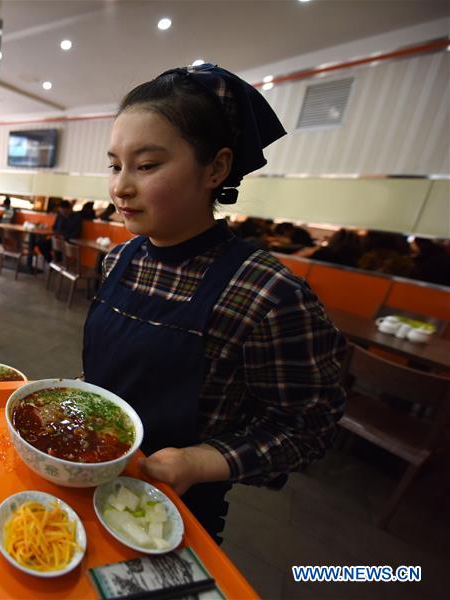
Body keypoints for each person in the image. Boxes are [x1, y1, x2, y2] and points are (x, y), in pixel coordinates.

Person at [83, 63, 345, 543]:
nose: (120, 186)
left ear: (216, 168)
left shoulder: (266, 293)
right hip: (83, 474)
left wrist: (201, 461)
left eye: (146, 165)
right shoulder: (119, 259)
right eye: (115, 165)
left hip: (169, 512)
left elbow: (310, 428)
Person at [35, 200, 82, 267]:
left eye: (63, 210)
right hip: (57, 240)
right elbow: (54, 227)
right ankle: (51, 263)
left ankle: (58, 264)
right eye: (60, 210)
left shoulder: (76, 218)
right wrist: (56, 234)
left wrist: (64, 237)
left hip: (68, 241)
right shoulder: (60, 216)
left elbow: (77, 233)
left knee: (58, 248)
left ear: (68, 209)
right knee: (41, 244)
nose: (61, 212)